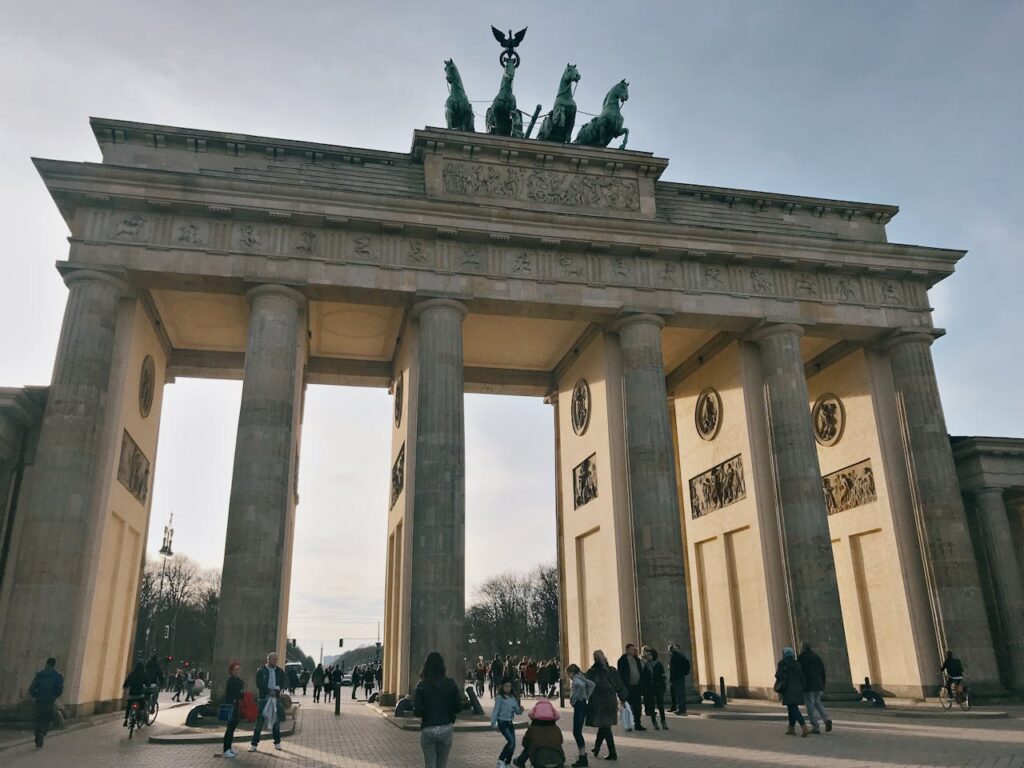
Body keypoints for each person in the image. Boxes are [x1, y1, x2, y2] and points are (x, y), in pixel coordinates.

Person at [413, 651, 461, 768]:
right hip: (446, 727)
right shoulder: (451, 683)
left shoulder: (421, 685)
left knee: (429, 763)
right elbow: (458, 707)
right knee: (442, 764)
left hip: (428, 727)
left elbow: (417, 711)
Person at [586, 650, 627, 761]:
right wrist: (623, 698)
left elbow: (586, 687)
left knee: (605, 727)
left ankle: (612, 752)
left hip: (599, 702)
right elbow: (619, 685)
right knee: (604, 725)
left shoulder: (592, 672)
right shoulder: (612, 670)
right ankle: (597, 747)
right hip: (610, 701)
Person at [250, 651, 287, 752]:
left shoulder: (280, 671)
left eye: (276, 659)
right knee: (260, 721)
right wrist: (268, 691)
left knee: (275, 721)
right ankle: (254, 744)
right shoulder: (261, 670)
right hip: (264, 698)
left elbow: (282, 682)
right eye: (273, 659)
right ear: (268, 660)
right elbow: (259, 684)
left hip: (275, 698)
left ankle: (277, 742)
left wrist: (276, 690)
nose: (275, 661)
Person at [513, 700, 564, 768]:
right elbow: (561, 741)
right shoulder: (556, 729)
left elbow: (524, 743)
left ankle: (520, 761)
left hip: (540, 763)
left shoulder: (532, 729)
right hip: (558, 763)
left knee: (530, 745)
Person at [28, 657, 64, 748]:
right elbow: (59, 690)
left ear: (46, 664)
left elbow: (31, 688)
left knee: (38, 718)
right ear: (54, 665)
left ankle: (37, 733)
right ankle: (42, 733)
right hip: (49, 701)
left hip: (39, 700)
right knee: (47, 718)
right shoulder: (58, 676)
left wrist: (35, 695)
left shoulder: (39, 675)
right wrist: (53, 696)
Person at [798, 641, 832, 734]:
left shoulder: (801, 658)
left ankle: (815, 726)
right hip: (819, 684)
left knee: (810, 706)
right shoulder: (816, 657)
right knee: (818, 703)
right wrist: (823, 683)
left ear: (803, 648)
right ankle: (827, 719)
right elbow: (822, 671)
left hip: (809, 686)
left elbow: (800, 673)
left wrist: (801, 685)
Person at [775, 646, 809, 737]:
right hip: (798, 688)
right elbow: (802, 677)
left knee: (793, 709)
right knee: (791, 708)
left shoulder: (782, 663)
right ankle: (791, 728)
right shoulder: (797, 664)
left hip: (788, 688)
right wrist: (803, 688)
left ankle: (804, 726)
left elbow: (778, 675)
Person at [567, 663, 595, 767]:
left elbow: (581, 686)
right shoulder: (581, 677)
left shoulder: (576, 679)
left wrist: (576, 698)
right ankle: (582, 756)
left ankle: (582, 757)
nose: (568, 677)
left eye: (568, 674)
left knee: (576, 732)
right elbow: (592, 684)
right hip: (583, 704)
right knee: (578, 731)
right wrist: (587, 695)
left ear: (571, 672)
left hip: (579, 705)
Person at [492, 679, 523, 768]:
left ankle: (507, 762)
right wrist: (493, 723)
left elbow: (517, 712)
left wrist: (520, 709)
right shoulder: (499, 698)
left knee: (513, 744)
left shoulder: (513, 698)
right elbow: (495, 711)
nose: (508, 689)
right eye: (506, 687)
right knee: (511, 742)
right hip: (502, 722)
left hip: (510, 722)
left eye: (509, 686)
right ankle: (501, 760)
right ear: (502, 687)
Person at [615, 644, 646, 732]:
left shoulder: (636, 659)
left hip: (637, 686)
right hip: (627, 687)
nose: (634, 651)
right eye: (632, 649)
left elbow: (640, 671)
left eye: (634, 649)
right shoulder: (622, 660)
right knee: (627, 707)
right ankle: (628, 725)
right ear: (627, 650)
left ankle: (638, 724)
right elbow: (620, 674)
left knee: (637, 706)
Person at [220, 661, 245, 758]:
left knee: (233, 728)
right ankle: (226, 750)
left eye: (239, 669)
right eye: (236, 670)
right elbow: (237, 693)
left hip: (236, 705)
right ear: (231, 671)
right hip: (231, 706)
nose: (237, 671)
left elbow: (241, 694)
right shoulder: (231, 681)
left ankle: (229, 748)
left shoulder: (237, 680)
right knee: (230, 729)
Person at [642, 646, 668, 730]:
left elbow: (663, 676)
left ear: (653, 655)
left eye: (650, 654)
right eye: (648, 654)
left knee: (660, 705)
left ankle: (663, 721)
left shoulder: (658, 664)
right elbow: (644, 677)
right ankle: (654, 722)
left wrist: (663, 686)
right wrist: (645, 687)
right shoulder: (646, 665)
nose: (648, 656)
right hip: (650, 688)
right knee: (651, 706)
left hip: (658, 687)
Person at [122, 661, 151, 726]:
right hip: (139, 694)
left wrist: (125, 687)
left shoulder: (131, 673)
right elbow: (148, 684)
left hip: (131, 694)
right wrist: (148, 685)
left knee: (129, 706)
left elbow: (126, 683)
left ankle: (126, 719)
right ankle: (140, 715)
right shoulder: (144, 674)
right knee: (142, 704)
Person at [668, 643, 690, 715]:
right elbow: (687, 665)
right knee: (680, 693)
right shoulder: (681, 656)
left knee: (679, 693)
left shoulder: (675, 656)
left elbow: (672, 669)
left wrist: (671, 679)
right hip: (680, 676)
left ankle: (682, 709)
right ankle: (682, 708)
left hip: (677, 677)